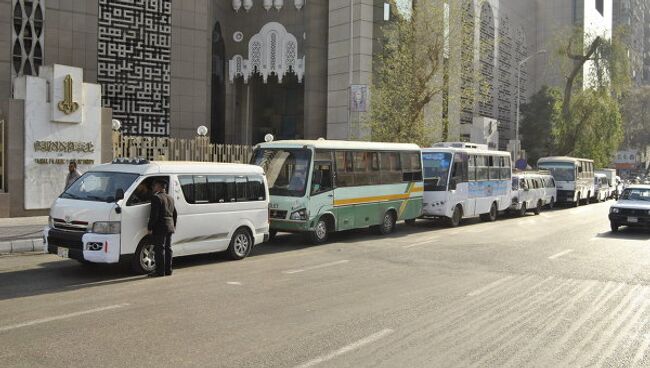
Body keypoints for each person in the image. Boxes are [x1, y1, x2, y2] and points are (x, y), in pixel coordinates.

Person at [147, 179, 177, 277]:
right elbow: (175, 214)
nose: (153, 188)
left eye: (155, 186)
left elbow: (154, 215)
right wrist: (174, 225)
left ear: (159, 187)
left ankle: (160, 271)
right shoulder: (170, 198)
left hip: (160, 227)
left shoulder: (156, 198)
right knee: (168, 248)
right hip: (170, 226)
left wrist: (150, 227)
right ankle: (168, 270)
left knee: (159, 249)